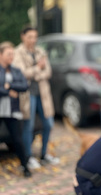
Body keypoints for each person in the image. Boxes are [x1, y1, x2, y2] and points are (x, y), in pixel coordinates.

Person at [13, 26, 59, 169]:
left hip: (43, 94)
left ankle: (44, 154)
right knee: (29, 125)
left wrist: (35, 73)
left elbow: (48, 72)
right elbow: (21, 73)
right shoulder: (17, 53)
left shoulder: (40, 51)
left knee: (48, 124)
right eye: (30, 37)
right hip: (28, 95)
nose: (33, 40)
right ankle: (29, 156)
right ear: (23, 37)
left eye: (35, 37)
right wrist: (38, 69)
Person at [0, 42, 31, 177]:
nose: (11, 57)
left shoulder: (16, 71)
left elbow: (24, 85)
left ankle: (25, 166)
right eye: (9, 54)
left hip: (12, 110)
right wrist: (7, 92)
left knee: (17, 139)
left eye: (13, 54)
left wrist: (9, 85)